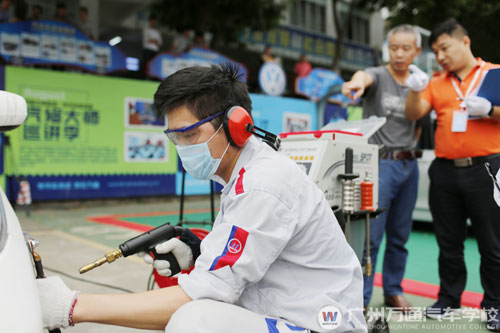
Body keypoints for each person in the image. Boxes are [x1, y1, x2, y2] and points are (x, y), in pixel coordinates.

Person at [36, 64, 367, 332]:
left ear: (237, 125)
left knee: (193, 321)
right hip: (287, 315)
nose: (183, 147)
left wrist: (72, 306)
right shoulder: (244, 174)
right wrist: (200, 254)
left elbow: (201, 296)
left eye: (190, 134)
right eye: (175, 137)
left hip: (320, 325)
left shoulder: (261, 184)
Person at [405, 18, 500, 331]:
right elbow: (414, 113)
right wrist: (415, 90)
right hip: (445, 170)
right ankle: (448, 298)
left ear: (465, 42)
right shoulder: (436, 81)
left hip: (488, 168)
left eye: (444, 48)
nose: (440, 56)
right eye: (436, 51)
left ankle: (495, 304)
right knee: (448, 241)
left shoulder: (494, 73)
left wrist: (490, 110)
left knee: (492, 242)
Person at [342, 24, 423, 312]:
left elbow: (421, 121)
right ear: (387, 49)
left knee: (400, 235)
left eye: (405, 48)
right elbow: (363, 77)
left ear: (417, 51)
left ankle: (393, 291)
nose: (399, 53)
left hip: (409, 165)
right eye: (393, 47)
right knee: (370, 237)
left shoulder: (419, 82)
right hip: (380, 164)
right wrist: (356, 83)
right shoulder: (377, 74)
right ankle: (360, 299)